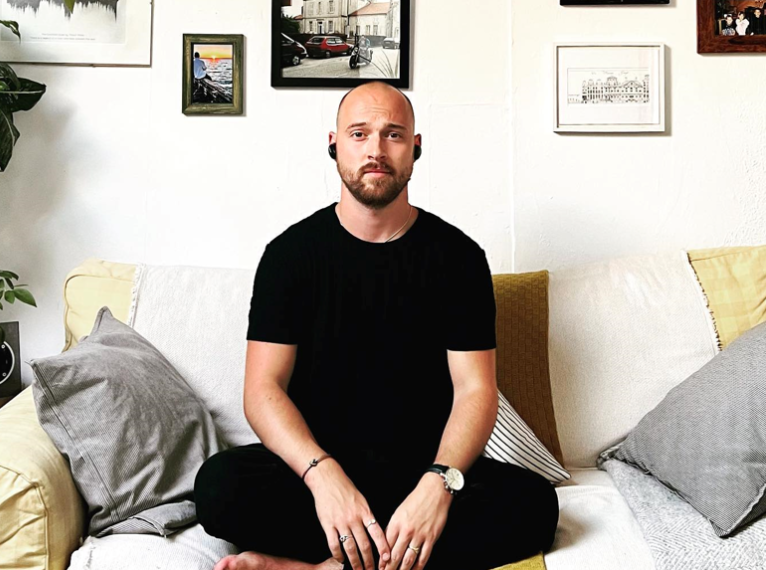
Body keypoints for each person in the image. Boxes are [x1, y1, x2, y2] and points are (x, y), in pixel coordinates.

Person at [194, 81, 560, 570]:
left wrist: (439, 483)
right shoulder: (289, 256)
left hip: (423, 471)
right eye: (359, 134)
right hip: (319, 471)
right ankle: (381, 556)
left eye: (392, 135)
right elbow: (263, 389)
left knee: (536, 507)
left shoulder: (459, 259)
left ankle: (321, 567)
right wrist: (323, 478)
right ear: (334, 144)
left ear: (416, 147)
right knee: (219, 487)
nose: (375, 150)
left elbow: (476, 390)